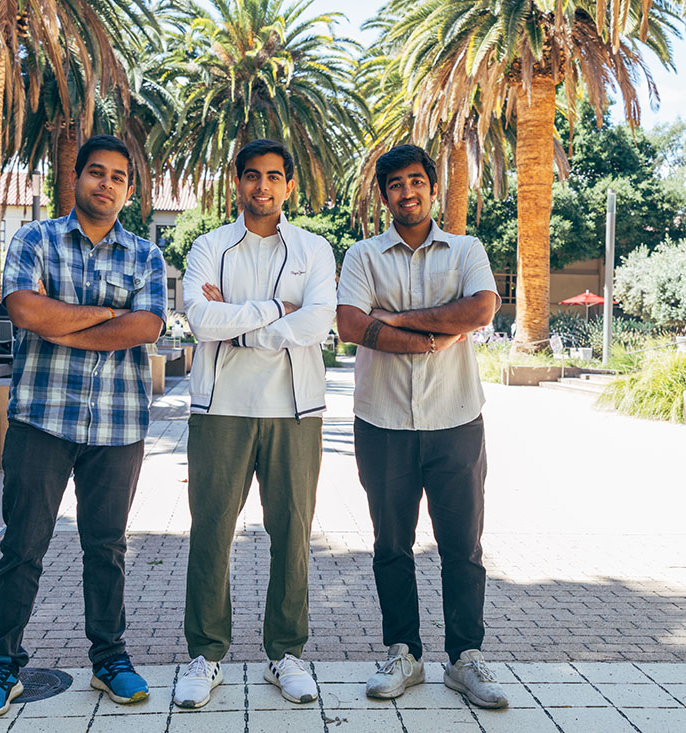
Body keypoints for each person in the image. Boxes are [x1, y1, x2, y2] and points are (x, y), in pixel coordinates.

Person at [0, 134, 168, 718]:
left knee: (105, 548)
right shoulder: (34, 237)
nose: (105, 184)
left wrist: (65, 322)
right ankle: (2, 666)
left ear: (128, 191)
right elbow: (23, 309)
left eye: (117, 177)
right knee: (23, 547)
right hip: (41, 420)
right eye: (96, 173)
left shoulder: (145, 255)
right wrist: (110, 313)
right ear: (75, 178)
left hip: (119, 423)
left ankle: (109, 659)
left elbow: (148, 326)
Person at [336, 144, 508, 709]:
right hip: (381, 421)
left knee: (463, 545)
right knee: (391, 545)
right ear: (383, 196)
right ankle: (403, 653)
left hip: (456, 418)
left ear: (432, 188)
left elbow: (480, 310)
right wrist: (434, 332)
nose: (407, 193)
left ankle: (465, 659)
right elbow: (350, 325)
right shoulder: (363, 255)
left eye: (416, 182)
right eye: (395, 185)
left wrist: (394, 321)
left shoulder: (466, 250)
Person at [171, 139, 337, 709]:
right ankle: (205, 655)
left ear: (289, 185)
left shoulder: (315, 250)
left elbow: (316, 324)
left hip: (294, 409)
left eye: (273, 176)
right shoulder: (208, 246)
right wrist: (275, 311)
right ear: (236, 183)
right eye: (251, 176)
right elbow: (199, 318)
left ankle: (286, 654)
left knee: (292, 535)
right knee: (211, 532)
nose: (261, 186)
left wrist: (236, 323)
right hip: (220, 408)